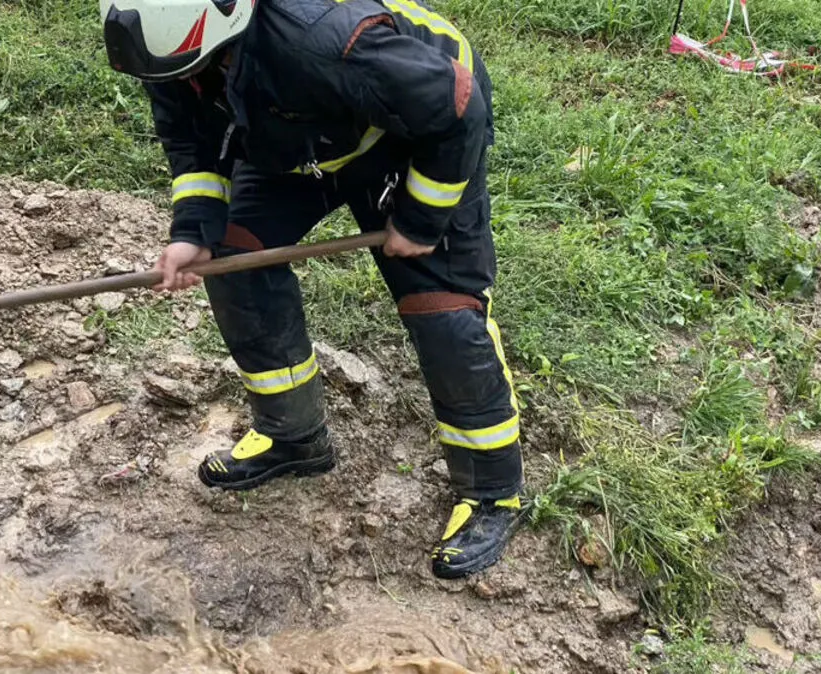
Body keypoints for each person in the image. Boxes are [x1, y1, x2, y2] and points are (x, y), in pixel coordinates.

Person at [99, 0, 524, 578]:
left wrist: (422, 217)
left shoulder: (321, 37)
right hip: (300, 140)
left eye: (195, 70)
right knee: (234, 260)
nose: (179, 84)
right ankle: (293, 437)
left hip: (411, 130)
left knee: (441, 311)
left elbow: (456, 108)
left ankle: (494, 492)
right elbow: (190, 133)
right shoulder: (173, 49)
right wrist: (194, 229)